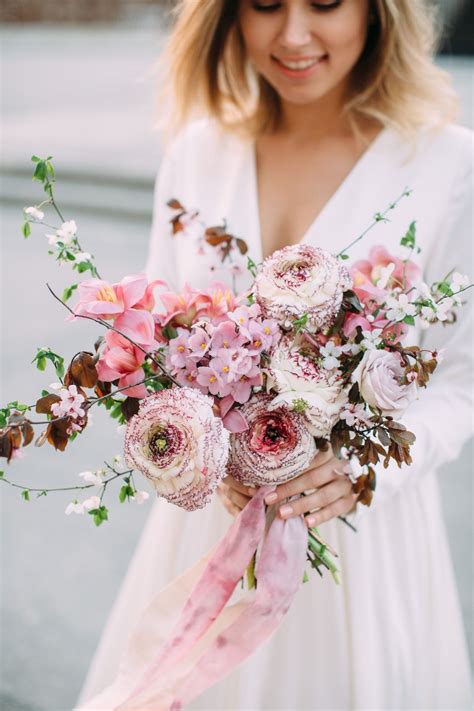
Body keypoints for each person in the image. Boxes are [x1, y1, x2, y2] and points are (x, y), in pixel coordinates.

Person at [76, 1, 473, 708]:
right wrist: (201, 446)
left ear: (379, 11)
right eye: (264, 4)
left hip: (365, 549)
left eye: (324, 2)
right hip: (207, 540)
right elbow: (154, 349)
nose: (293, 35)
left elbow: (464, 382)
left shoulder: (449, 164)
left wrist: (362, 468)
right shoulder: (197, 152)